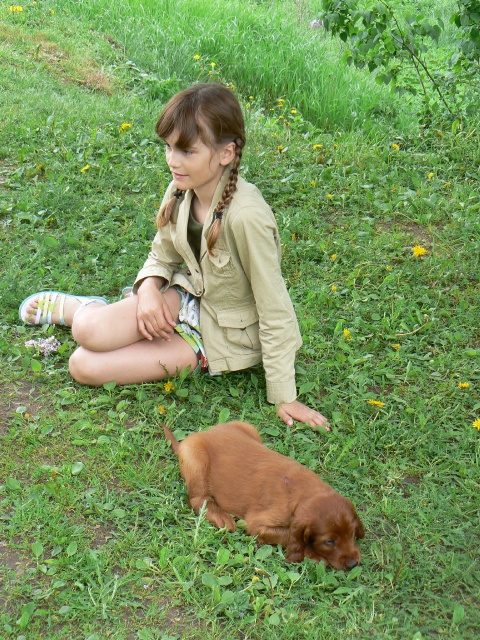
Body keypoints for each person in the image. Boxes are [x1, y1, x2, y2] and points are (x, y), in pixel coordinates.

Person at [19, 83, 329, 430]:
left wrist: (284, 394)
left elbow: (275, 307)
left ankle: (99, 313)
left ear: (226, 153)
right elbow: (162, 254)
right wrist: (150, 290)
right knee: (87, 329)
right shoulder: (181, 188)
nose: (172, 160)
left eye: (186, 150)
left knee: (83, 366)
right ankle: (83, 308)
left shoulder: (246, 218)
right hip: (182, 300)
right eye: (168, 147)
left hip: (219, 336)